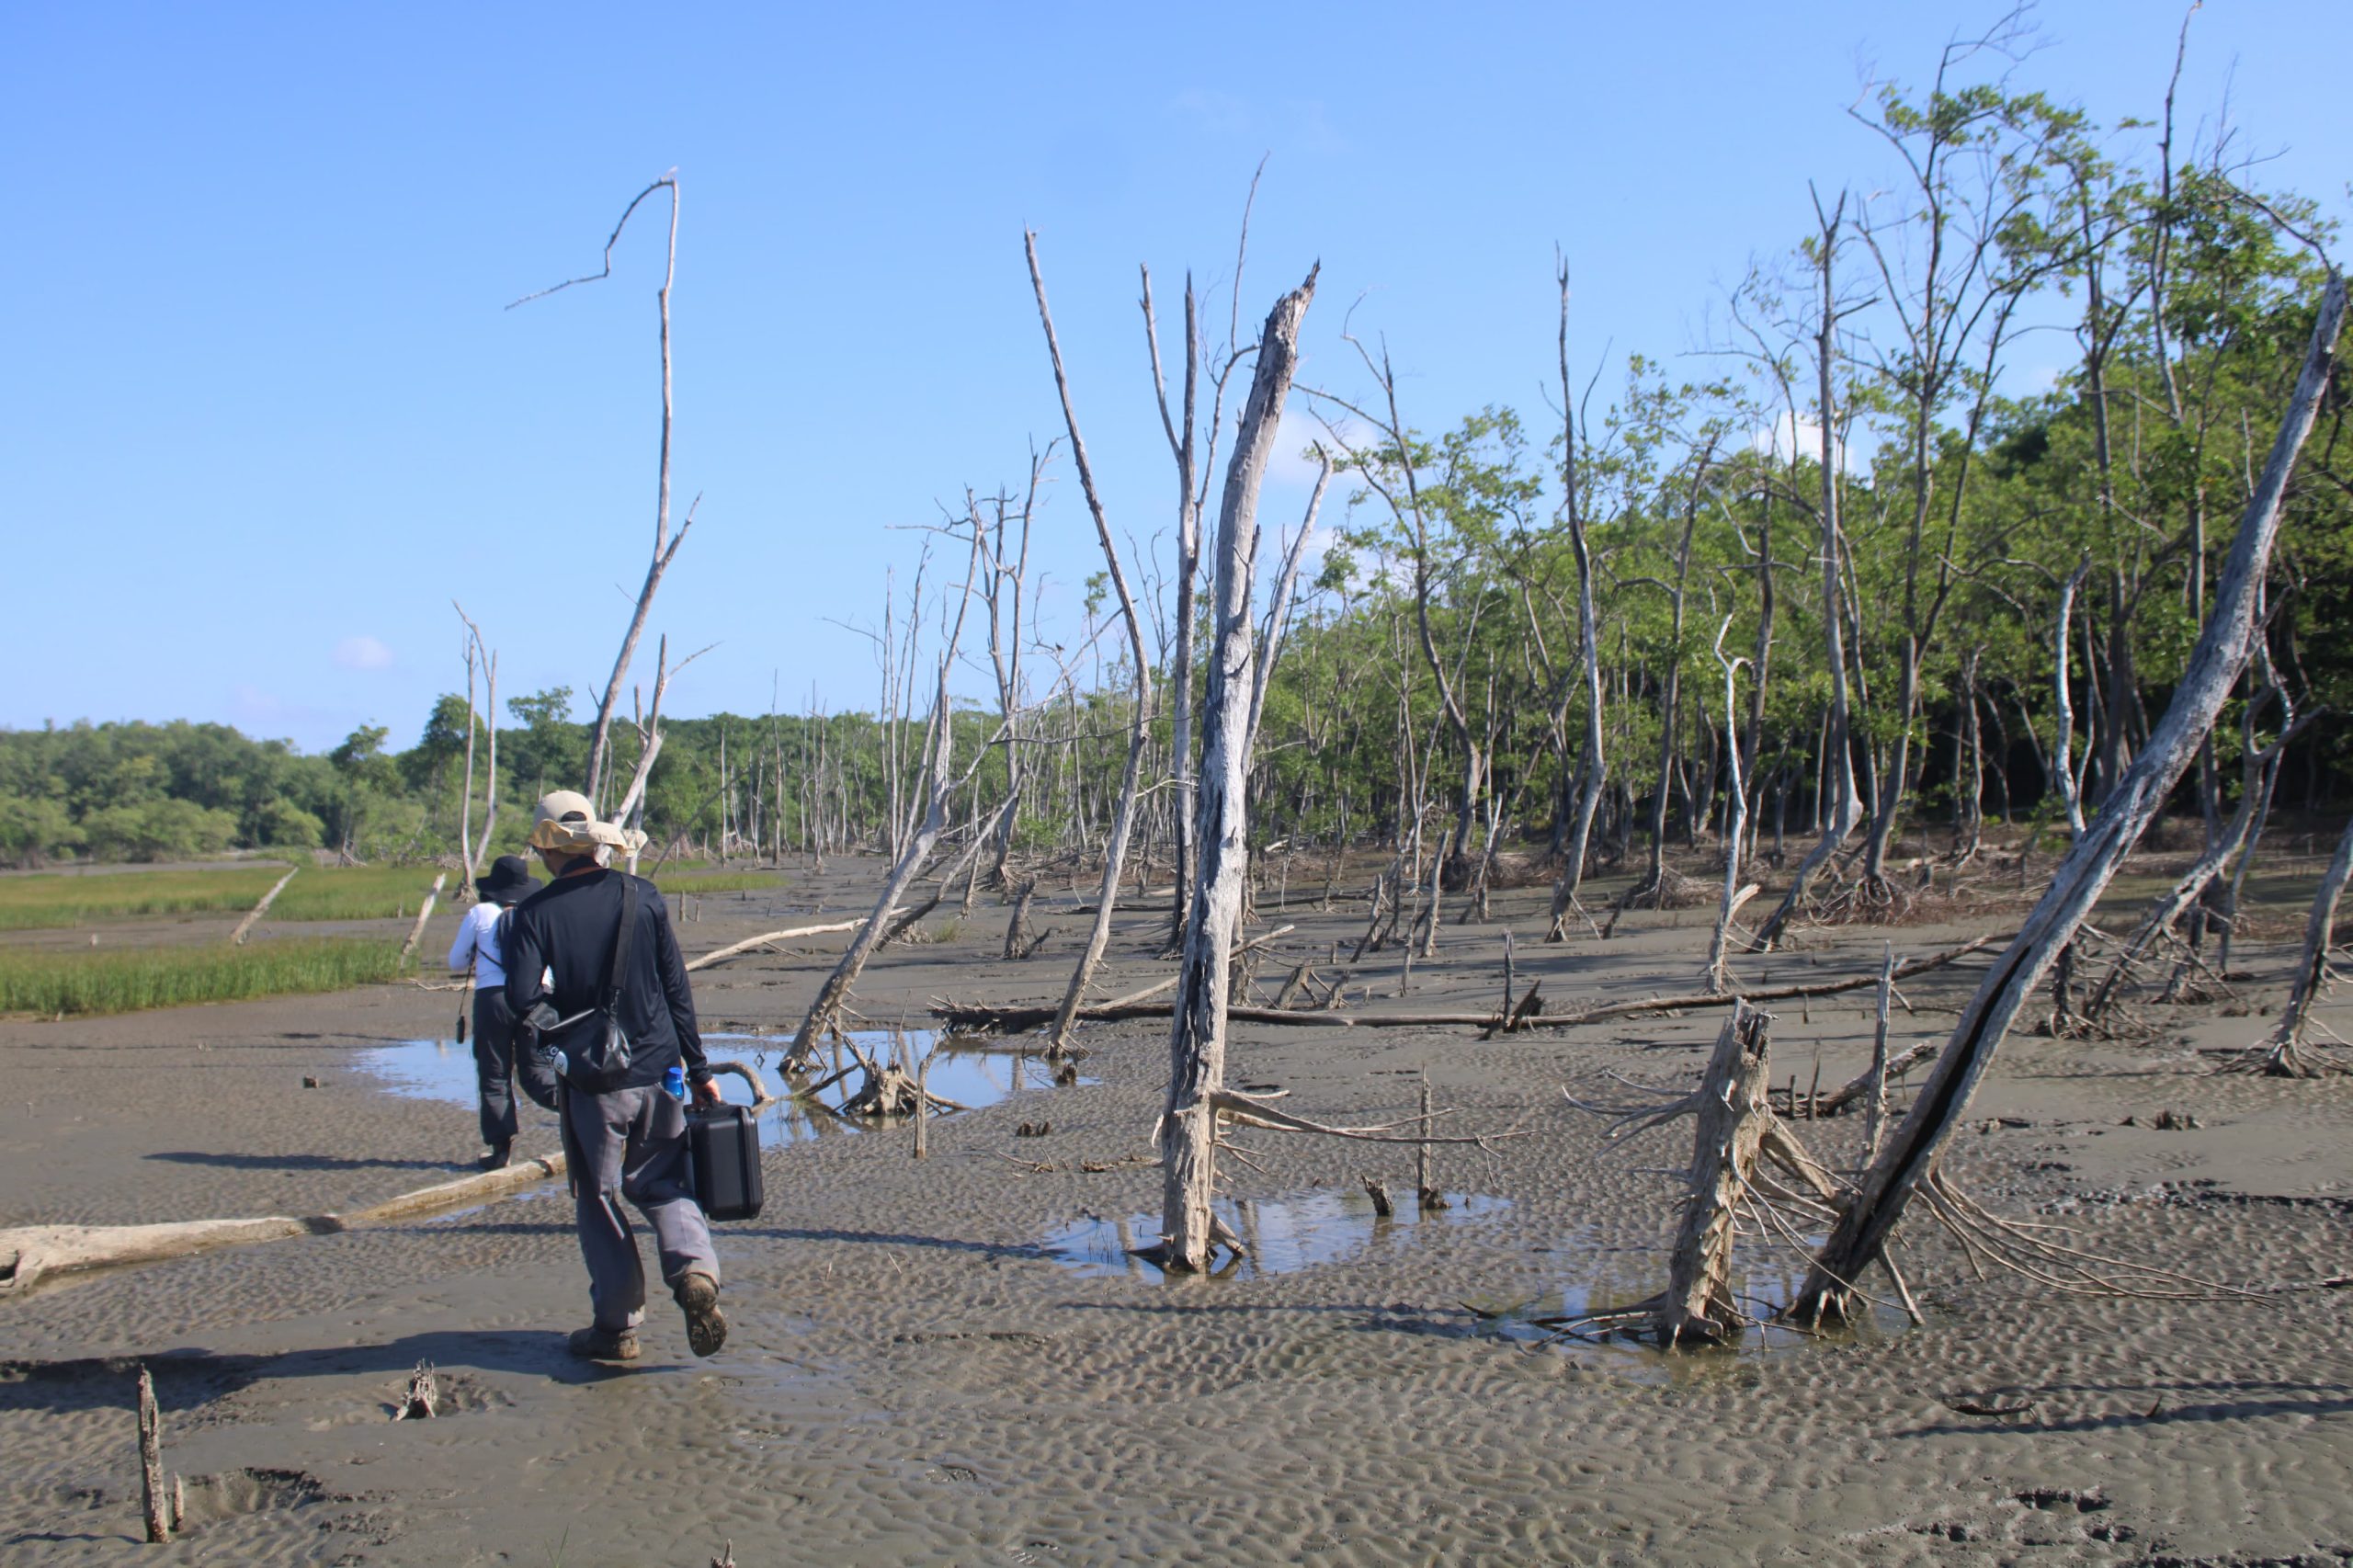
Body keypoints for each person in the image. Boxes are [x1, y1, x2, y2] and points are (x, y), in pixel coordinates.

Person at [505, 790, 728, 1363]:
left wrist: (562, 1038)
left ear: (549, 849)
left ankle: (617, 1327)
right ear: (601, 845)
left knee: (598, 1196)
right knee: (664, 1184)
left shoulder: (533, 915)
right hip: (661, 1068)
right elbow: (677, 989)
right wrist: (699, 1070)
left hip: (594, 1081)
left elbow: (522, 1000)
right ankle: (695, 1272)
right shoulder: (643, 896)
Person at [447, 854, 553, 1170]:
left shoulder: (480, 913)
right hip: (534, 997)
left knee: (494, 1074)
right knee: (536, 1072)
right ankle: (582, 1111)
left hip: (492, 1000)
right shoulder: (536, 911)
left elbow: (455, 962)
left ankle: (500, 1150)